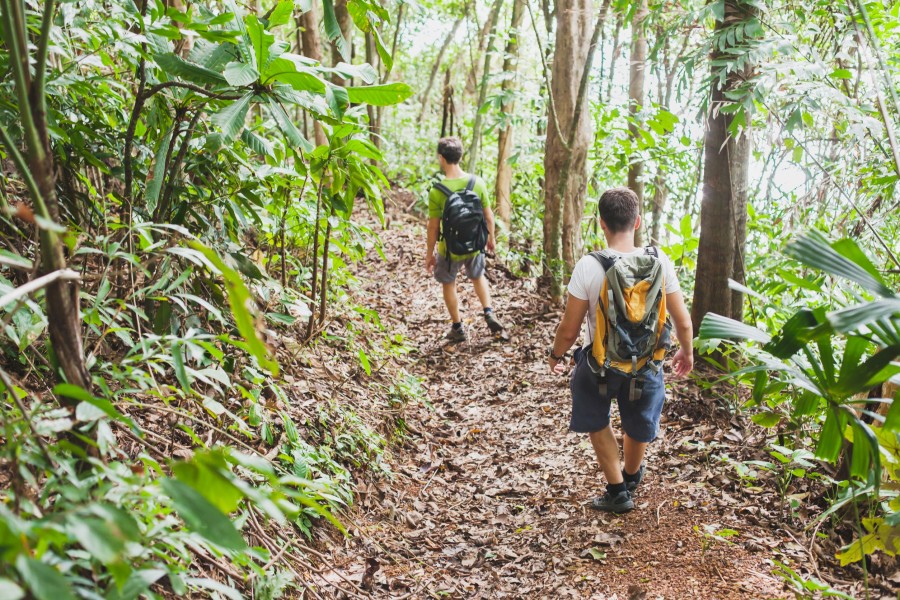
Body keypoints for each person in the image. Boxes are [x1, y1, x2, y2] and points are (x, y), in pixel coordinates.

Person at [548, 187, 694, 513]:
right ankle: (630, 476)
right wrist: (687, 351)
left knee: (595, 415)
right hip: (646, 363)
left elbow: (569, 329)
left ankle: (617, 490)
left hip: (599, 364)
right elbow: (682, 321)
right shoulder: (660, 261)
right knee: (639, 418)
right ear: (637, 221)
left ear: (602, 223)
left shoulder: (589, 265)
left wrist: (556, 356)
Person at [425, 137, 505, 342]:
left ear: (441, 158)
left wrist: (429, 254)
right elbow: (488, 216)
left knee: (449, 284)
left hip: (449, 250)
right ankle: (488, 312)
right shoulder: (476, 183)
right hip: (475, 244)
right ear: (460, 157)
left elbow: (433, 226)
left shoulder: (437, 190)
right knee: (478, 277)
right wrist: (490, 239)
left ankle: (457, 328)